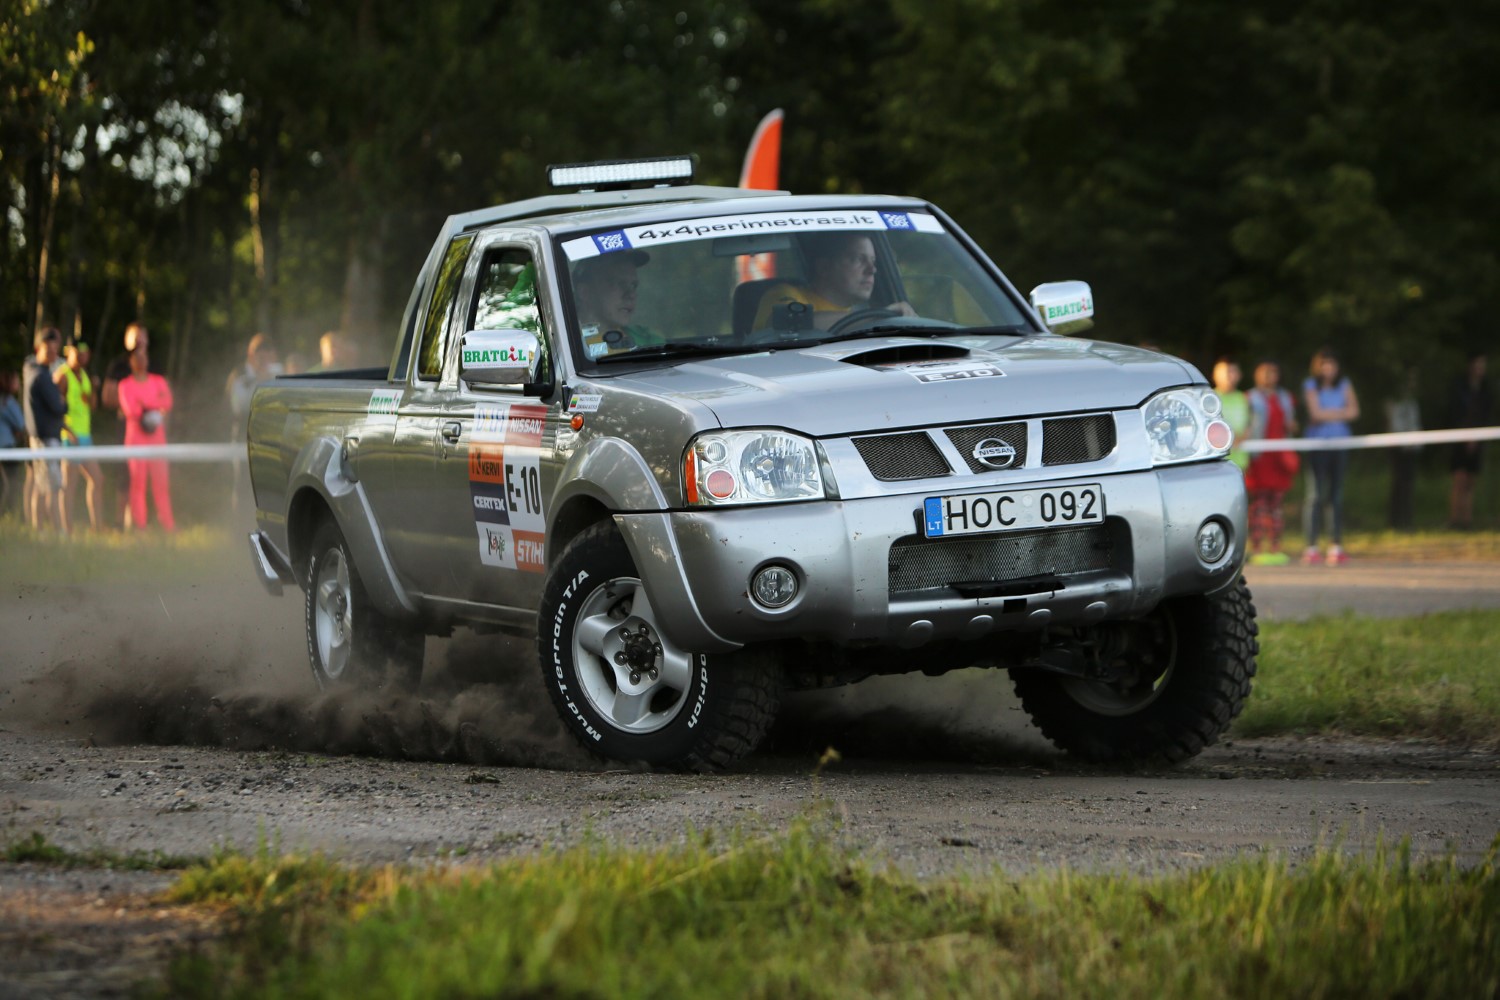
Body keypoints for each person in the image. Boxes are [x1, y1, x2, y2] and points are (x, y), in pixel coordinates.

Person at [752, 232, 914, 331]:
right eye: (858, 259)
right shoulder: (783, 293)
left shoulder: (854, 312)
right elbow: (789, 322)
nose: (872, 270)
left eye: (873, 261)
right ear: (824, 267)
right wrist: (880, 319)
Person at [1301, 348, 1359, 565]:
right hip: (1318, 445)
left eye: (1332, 364)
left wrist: (1328, 415)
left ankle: (1335, 545)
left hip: (1340, 444)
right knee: (1315, 495)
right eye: (1324, 364)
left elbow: (1355, 411)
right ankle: (1312, 546)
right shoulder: (1310, 385)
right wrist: (1340, 413)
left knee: (1335, 495)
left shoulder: (1344, 384)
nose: (1329, 369)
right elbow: (1315, 414)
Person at [1244, 361, 1299, 564]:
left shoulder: (1285, 398)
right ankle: (1257, 546)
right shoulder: (1250, 398)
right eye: (1265, 373)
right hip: (1260, 456)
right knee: (1258, 504)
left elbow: (1290, 424)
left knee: (1276, 504)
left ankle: (1276, 546)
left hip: (1279, 456)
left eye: (1272, 373)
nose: (1269, 377)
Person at [117, 344, 175, 532]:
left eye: (144, 356)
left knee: (161, 483)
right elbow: (131, 410)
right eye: (137, 357)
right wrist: (153, 406)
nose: (141, 360)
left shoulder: (158, 381)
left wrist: (146, 405)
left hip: (157, 438)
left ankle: (168, 524)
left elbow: (167, 402)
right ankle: (140, 525)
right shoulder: (125, 385)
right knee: (138, 483)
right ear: (131, 361)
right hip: (136, 439)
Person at [99, 322, 152, 528]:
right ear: (127, 340)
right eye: (135, 337)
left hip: (150, 431)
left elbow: (163, 396)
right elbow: (107, 397)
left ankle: (137, 522)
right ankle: (120, 521)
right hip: (127, 429)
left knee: (144, 476)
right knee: (125, 474)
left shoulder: (153, 364)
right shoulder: (118, 366)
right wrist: (131, 405)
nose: (139, 341)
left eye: (142, 336)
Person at [22, 326, 69, 531]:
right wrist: (62, 394)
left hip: (39, 437)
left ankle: (39, 531)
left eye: (55, 350)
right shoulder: (41, 376)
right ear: (38, 348)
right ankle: (54, 533)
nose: (53, 354)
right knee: (51, 488)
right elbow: (59, 407)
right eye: (49, 350)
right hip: (45, 439)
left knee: (40, 486)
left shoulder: (30, 369)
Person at [572, 251, 660, 358]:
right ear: (585, 292)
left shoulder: (650, 341)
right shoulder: (563, 345)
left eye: (633, 285)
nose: (631, 294)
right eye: (619, 284)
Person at [57, 341, 103, 531]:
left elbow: (92, 405)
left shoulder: (85, 375)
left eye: (85, 353)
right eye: (78, 353)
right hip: (70, 437)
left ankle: (97, 526)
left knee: (98, 479)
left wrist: (94, 388)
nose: (82, 357)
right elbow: (54, 409)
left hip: (85, 436)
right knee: (69, 484)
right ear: (69, 353)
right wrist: (68, 431)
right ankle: (66, 529)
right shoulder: (62, 376)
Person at [1447, 352, 1492, 530]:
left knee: (1471, 481)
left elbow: (1486, 414)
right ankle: (1454, 519)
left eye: (1483, 365)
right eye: (1478, 364)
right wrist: (1465, 435)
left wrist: (1477, 437)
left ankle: (1467, 520)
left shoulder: (1486, 389)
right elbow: (1454, 413)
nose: (1480, 369)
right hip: (1459, 438)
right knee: (1459, 478)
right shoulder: (1460, 387)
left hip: (1478, 439)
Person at [1384, 369, 1421, 531]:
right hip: (1397, 446)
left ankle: (1407, 520)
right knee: (1398, 484)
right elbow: (1393, 423)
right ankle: (1395, 521)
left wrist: (1415, 442)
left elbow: (1416, 423)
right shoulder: (1393, 399)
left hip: (1412, 447)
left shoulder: (1412, 401)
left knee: (1408, 484)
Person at [1212, 357, 1251, 472]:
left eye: (1232, 371)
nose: (1229, 376)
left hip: (1240, 461)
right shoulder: (1209, 399)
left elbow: (1250, 423)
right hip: (1216, 461)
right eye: (1224, 372)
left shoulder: (1244, 398)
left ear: (1239, 375)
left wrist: (1243, 436)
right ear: (1215, 374)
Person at [0, 370, 28, 517]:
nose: (19, 384)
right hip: (7, 448)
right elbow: (21, 425)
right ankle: (7, 514)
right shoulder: (8, 401)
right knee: (12, 484)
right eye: (16, 381)